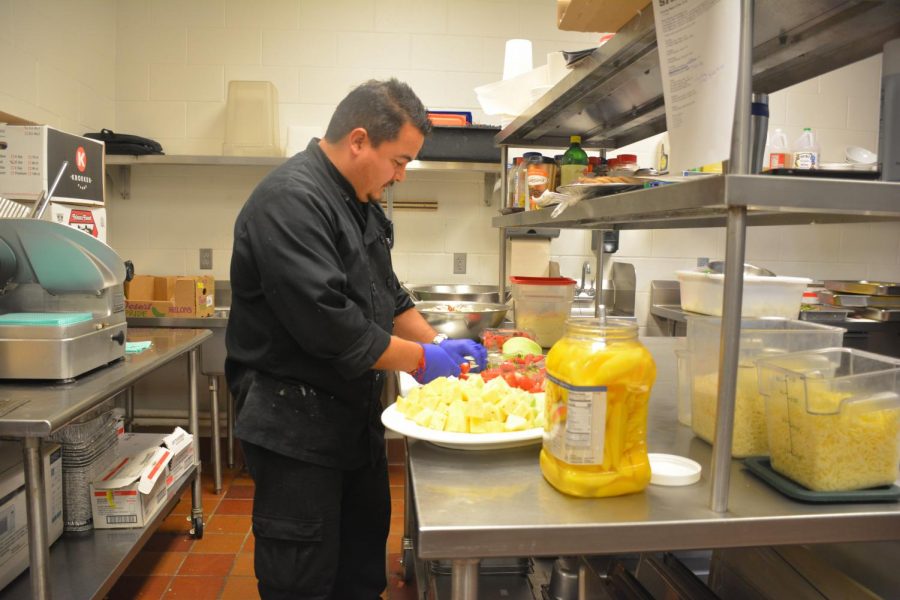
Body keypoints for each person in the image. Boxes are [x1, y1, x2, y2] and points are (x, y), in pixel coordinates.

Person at [225, 78, 487, 600]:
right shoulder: (290, 201)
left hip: (351, 424)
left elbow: (387, 297)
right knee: (303, 582)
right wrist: (420, 360)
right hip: (294, 432)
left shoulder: (358, 201)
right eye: (400, 161)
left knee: (361, 573)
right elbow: (332, 326)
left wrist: (440, 348)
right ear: (360, 140)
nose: (401, 176)